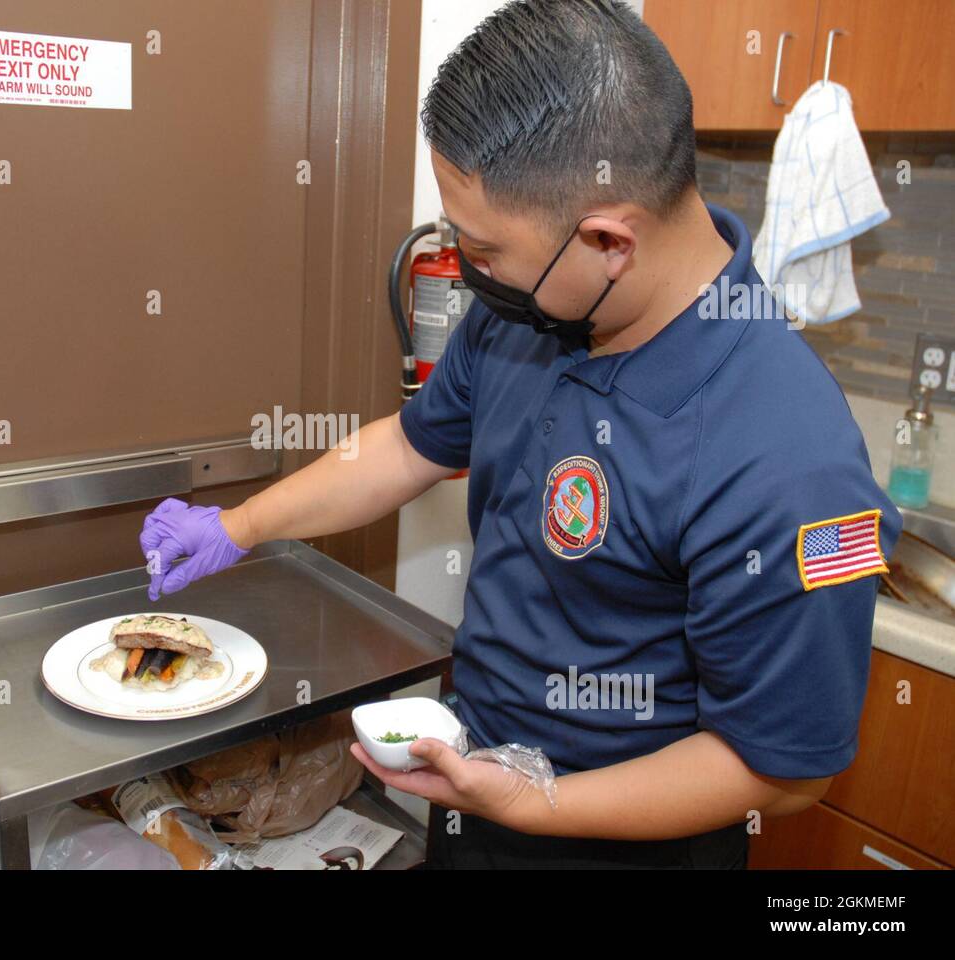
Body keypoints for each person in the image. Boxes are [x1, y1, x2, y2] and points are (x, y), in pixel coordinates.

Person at [137, 0, 901, 868]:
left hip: (623, 843)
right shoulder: (537, 307)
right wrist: (236, 527)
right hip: (477, 795)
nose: (470, 268)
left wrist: (536, 805)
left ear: (609, 239)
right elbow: (408, 446)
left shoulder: (791, 463)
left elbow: (784, 771)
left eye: (484, 247)